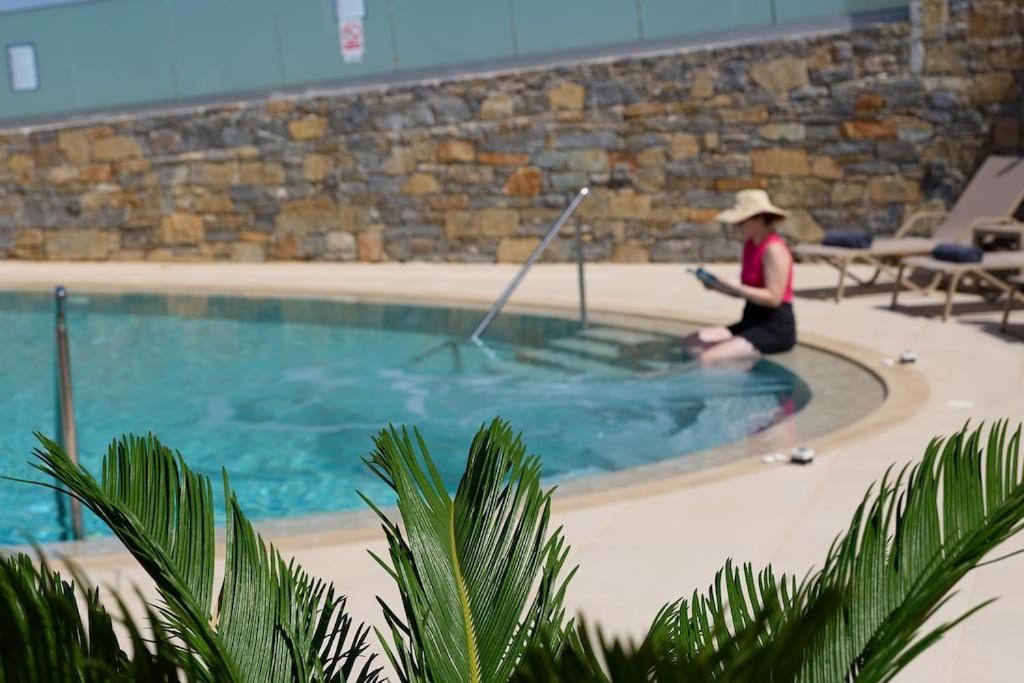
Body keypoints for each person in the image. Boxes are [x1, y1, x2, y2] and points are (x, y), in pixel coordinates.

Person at [684, 189, 796, 366]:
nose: (737, 226)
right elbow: (747, 292)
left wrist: (736, 287)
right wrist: (717, 286)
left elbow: (774, 298)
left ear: (759, 219)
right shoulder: (751, 245)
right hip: (750, 321)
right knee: (692, 343)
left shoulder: (774, 249)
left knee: (708, 358)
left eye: (741, 221)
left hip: (774, 327)